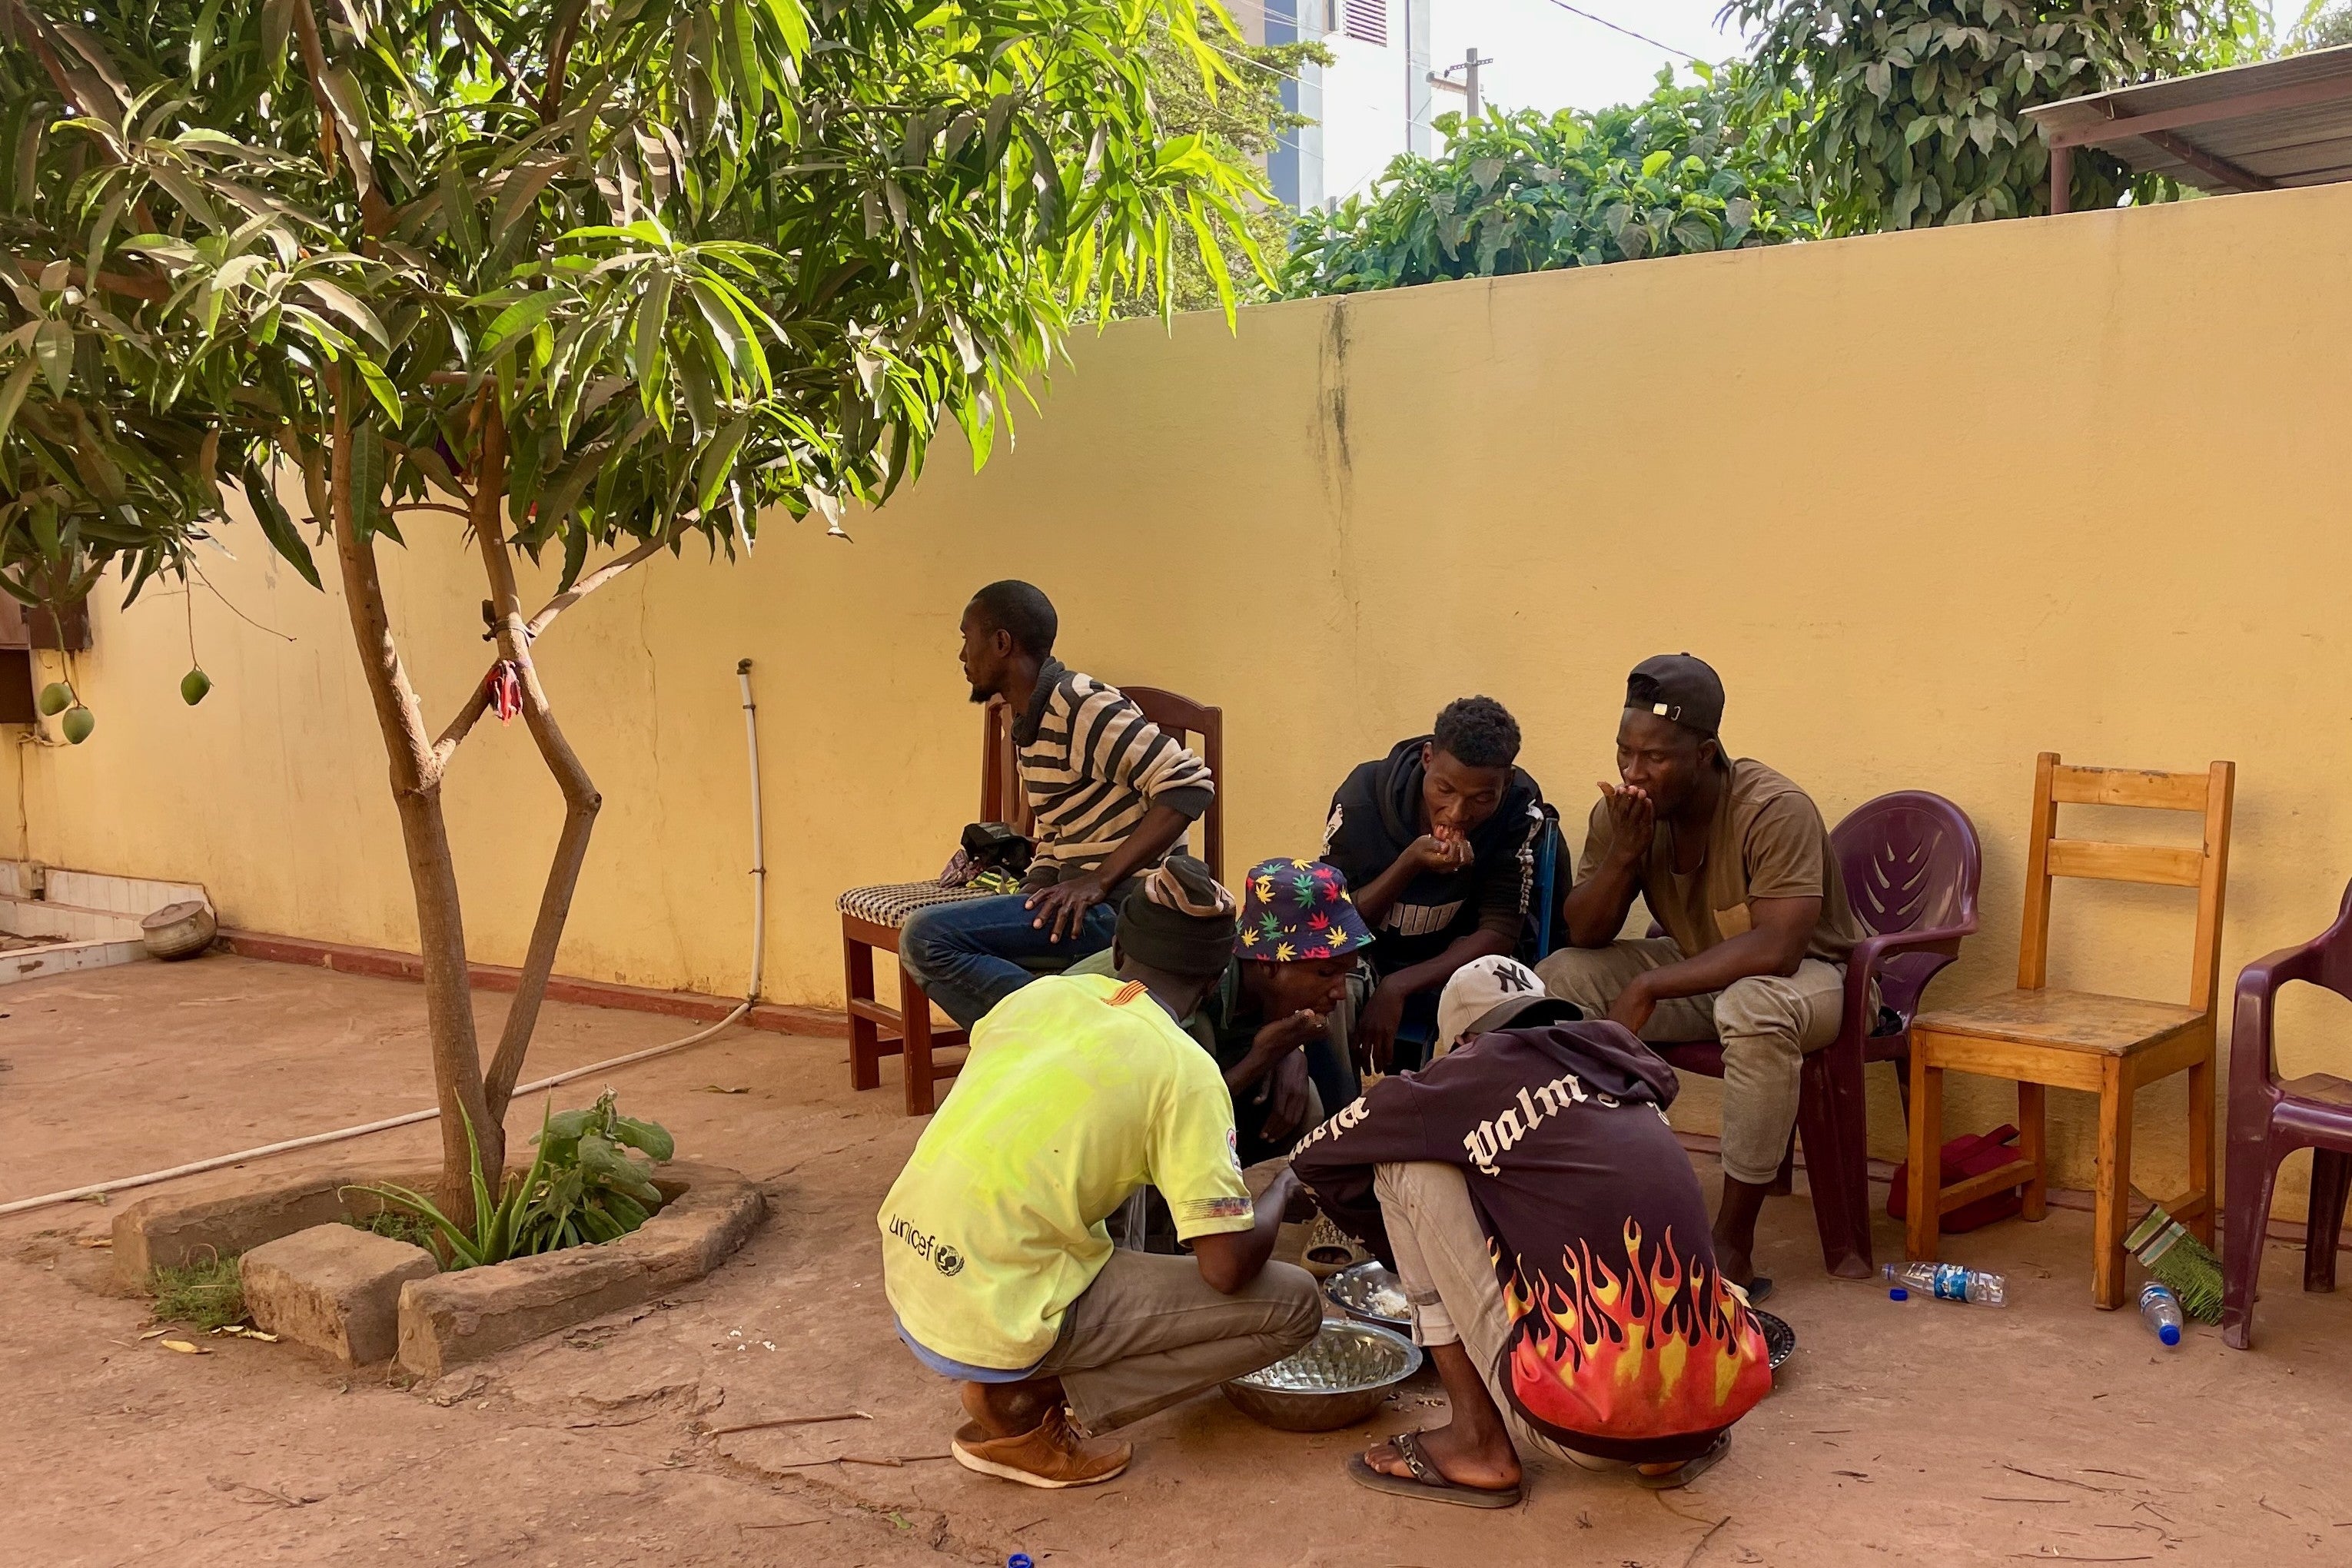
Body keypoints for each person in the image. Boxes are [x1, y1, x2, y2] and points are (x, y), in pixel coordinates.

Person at [879, 858, 1323, 1490]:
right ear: (1219, 973)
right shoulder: (1184, 1068)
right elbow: (1225, 1268)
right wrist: (1281, 1186)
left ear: (1116, 946)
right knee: (1294, 1305)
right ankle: (1028, 1404)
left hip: (913, 1265)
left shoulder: (1042, 996)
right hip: (996, 1307)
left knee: (1108, 1190)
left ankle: (1023, 1381)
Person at [1290, 955, 1773, 1507]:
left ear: (1464, 1041)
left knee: (1404, 1165)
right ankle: (1668, 1439)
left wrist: (1397, 1247)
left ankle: (1477, 1441)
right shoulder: (1617, 1070)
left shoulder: (1464, 1071)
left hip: (1581, 1428)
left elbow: (1316, 1156)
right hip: (1714, 1403)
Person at [1536, 653, 1867, 1296]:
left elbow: (1779, 946)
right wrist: (1625, 857)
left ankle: (1732, 1243)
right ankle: (1564, 1187)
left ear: (1705, 753)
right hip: (1706, 968)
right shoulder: (1625, 815)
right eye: (1624, 752)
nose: (1634, 773)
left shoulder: (1773, 807)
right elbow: (1586, 932)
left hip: (1821, 979)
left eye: (1655, 757)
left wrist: (1651, 984)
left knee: (1754, 1007)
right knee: (1558, 977)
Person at [899, 581, 1216, 1030]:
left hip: (1127, 909)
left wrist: (1098, 882)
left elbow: (1188, 786)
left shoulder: (1080, 704)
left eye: (966, 639)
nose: (961, 655)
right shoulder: (1030, 720)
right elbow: (1056, 831)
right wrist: (1034, 890)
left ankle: (1055, 1029)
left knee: (926, 937)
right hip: (1077, 907)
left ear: (1002, 642)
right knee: (945, 934)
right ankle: (1061, 1027)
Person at [1072, 856, 1377, 1168]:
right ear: (1270, 963)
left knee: (1308, 1094)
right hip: (1098, 1108)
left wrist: (1290, 1050)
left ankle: (1334, 1163)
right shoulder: (1186, 985)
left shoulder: (1254, 977)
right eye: (1325, 973)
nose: (1338, 990)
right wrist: (1265, 1055)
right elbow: (1165, 1118)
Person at [1322, 696, 1547, 1074]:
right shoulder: (1363, 799)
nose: (1458, 812)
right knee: (1333, 989)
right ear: (1427, 758)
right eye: (1444, 790)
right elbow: (1334, 924)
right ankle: (1339, 1120)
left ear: (1505, 783)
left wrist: (1399, 986)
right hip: (1369, 958)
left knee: (1507, 997)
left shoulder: (1518, 807)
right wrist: (1408, 863)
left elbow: (1501, 931)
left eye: (1482, 798)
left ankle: (1476, 1124)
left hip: (1453, 967)